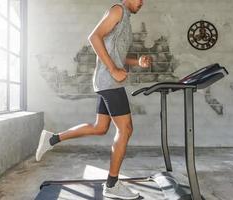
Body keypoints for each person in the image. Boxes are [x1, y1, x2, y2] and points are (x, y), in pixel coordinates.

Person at [36, 0, 152, 199]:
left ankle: (53, 138)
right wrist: (114, 70)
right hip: (109, 81)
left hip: (106, 81)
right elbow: (94, 37)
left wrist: (136, 61)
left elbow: (115, 53)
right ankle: (112, 185)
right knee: (125, 129)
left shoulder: (126, 19)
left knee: (100, 127)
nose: (142, 2)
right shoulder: (118, 11)